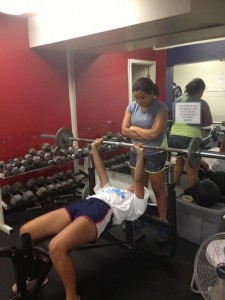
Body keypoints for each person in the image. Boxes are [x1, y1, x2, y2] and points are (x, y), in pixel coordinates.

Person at [17, 138, 149, 300]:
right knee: (26, 232)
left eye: (136, 187)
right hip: (82, 205)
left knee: (56, 248)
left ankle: (72, 296)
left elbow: (139, 180)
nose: (132, 185)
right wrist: (94, 148)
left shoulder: (136, 202)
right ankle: (36, 275)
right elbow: (102, 172)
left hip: (101, 212)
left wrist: (140, 155)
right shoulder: (112, 189)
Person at [121, 77, 169, 241]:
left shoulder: (161, 108)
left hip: (155, 153)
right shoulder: (131, 106)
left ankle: (163, 224)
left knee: (158, 190)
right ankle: (140, 218)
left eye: (143, 97)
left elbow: (155, 134)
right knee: (139, 186)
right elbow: (124, 130)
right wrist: (145, 131)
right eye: (136, 97)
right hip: (136, 153)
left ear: (152, 94)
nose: (139, 101)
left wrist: (134, 128)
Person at [168, 78, 213, 188]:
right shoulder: (202, 103)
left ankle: (174, 192)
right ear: (201, 90)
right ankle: (191, 196)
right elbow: (208, 122)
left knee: (177, 170)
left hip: (174, 137)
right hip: (191, 139)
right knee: (192, 173)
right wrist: (196, 122)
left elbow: (175, 119)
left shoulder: (177, 100)